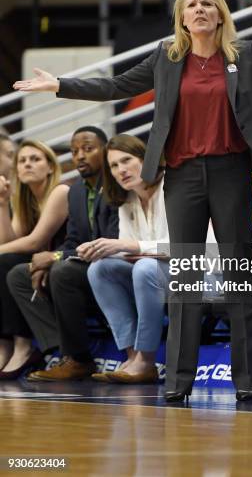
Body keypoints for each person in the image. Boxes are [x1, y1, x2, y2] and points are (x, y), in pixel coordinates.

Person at [13, 0, 252, 402]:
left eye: (209, 3)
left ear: (221, 13)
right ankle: (178, 382)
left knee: (238, 276)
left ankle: (246, 382)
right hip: (183, 176)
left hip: (231, 173)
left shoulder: (244, 56)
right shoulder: (166, 58)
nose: (201, 9)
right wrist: (59, 85)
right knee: (185, 277)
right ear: (182, 17)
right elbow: (116, 87)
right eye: (193, 4)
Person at [7, 126, 118, 381]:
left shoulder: (114, 187)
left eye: (88, 149)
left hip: (109, 262)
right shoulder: (77, 191)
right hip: (82, 262)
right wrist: (50, 260)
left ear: (105, 151)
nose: (80, 156)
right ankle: (57, 350)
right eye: (74, 151)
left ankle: (79, 359)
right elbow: (72, 240)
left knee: (62, 270)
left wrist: (55, 257)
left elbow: (111, 240)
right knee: (19, 274)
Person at [79, 134, 170, 384]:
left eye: (126, 160)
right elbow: (128, 250)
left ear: (146, 158)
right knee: (99, 269)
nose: (121, 170)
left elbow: (186, 245)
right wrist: (99, 249)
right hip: (151, 272)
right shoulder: (127, 199)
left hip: (196, 269)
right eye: (114, 166)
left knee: (145, 268)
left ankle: (146, 360)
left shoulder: (174, 186)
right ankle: (131, 356)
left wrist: (125, 246)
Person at [0, 139, 67, 378]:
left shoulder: (60, 191)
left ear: (50, 166)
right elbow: (9, 241)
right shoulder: (26, 199)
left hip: (65, 260)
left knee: (7, 265)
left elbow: (34, 242)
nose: (27, 164)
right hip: (40, 264)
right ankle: (5, 345)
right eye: (22, 160)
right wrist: (3, 203)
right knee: (6, 263)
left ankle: (23, 346)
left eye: (35, 159)